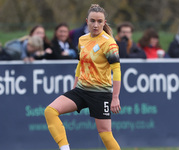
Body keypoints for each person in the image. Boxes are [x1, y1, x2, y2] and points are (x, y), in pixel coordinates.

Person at [44, 4, 121, 150]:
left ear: (104, 23)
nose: (96, 25)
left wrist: (115, 97)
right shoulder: (82, 40)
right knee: (50, 111)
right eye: (93, 21)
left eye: (99, 21)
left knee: (105, 134)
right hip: (81, 90)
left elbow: (116, 70)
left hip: (100, 93)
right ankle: (65, 148)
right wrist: (75, 87)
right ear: (87, 21)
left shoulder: (109, 43)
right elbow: (80, 64)